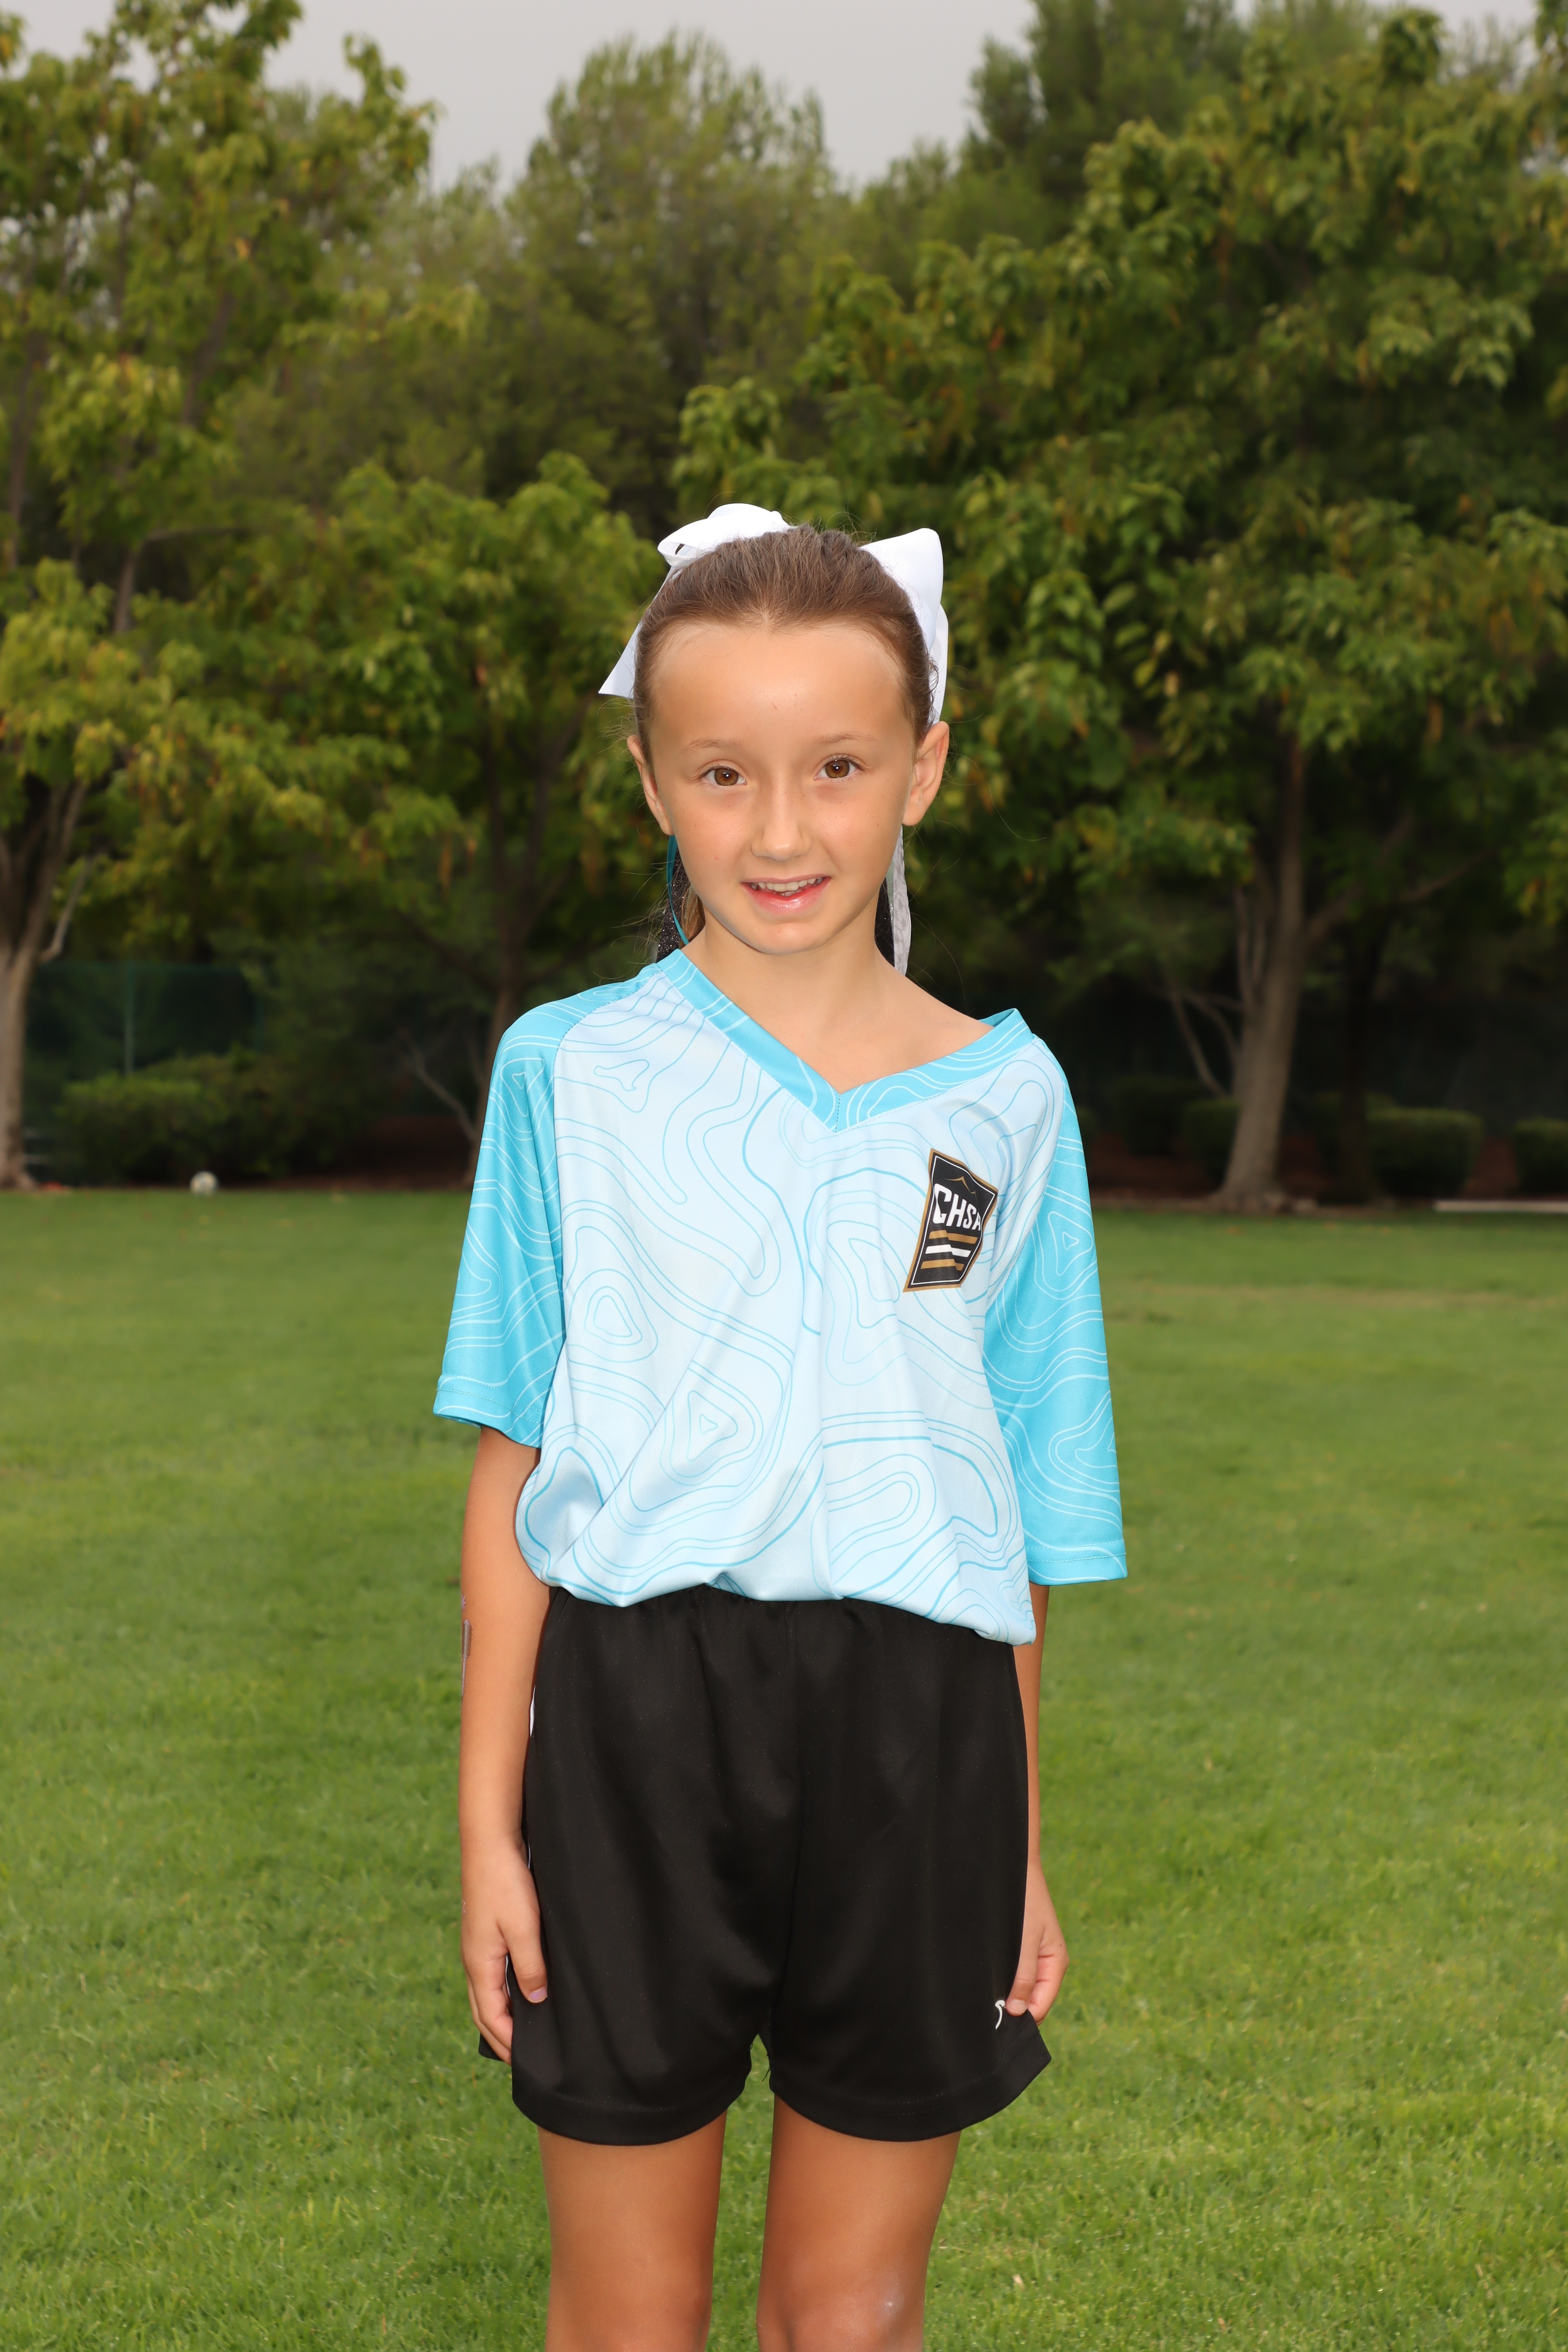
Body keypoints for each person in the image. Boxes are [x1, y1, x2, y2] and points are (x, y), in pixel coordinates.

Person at [436, 508, 1125, 2352]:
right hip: (635, 1724)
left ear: (925, 767)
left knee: (855, 2316)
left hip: (923, 1737)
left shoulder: (1012, 1098)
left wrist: (1020, 1835)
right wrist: (491, 1828)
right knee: (629, 2314)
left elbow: (1017, 1509)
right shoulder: (570, 1072)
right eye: (724, 772)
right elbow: (515, 1460)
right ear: (653, 781)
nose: (782, 829)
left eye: (837, 767)